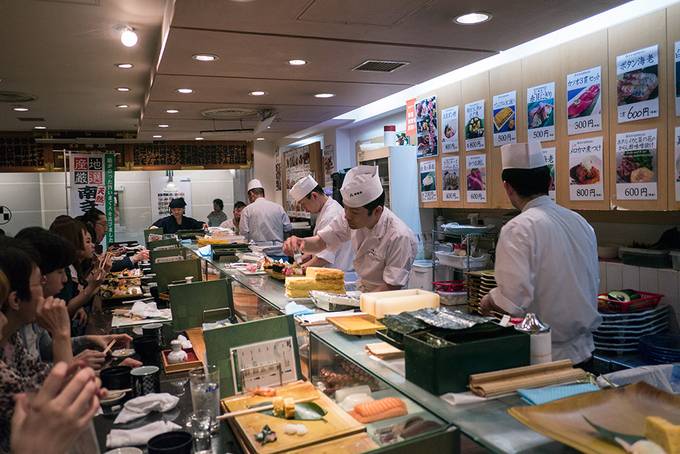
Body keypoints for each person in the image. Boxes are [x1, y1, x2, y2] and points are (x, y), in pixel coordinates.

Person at [480, 142, 601, 367]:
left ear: (507, 187)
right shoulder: (580, 222)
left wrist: (489, 299)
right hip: (585, 354)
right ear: (550, 182)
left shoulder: (518, 228)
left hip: (543, 358)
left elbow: (512, 301)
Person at [15, 227, 133, 369]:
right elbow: (31, 382)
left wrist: (92, 340)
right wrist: (74, 362)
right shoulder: (18, 322)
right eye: (59, 272)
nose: (65, 279)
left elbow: (45, 350)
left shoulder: (30, 315)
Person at [284, 166, 417, 292]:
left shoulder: (399, 236)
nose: (347, 216)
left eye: (354, 212)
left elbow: (391, 287)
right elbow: (321, 242)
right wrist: (300, 243)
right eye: (346, 208)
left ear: (377, 211)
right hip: (363, 291)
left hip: (385, 302)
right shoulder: (348, 218)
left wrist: (360, 304)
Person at [0, 237, 75, 451]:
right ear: (15, 300)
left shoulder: (11, 339)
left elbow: (39, 375)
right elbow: (58, 404)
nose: (44, 287)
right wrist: (61, 334)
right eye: (38, 282)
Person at [288, 175, 354, 271]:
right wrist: (298, 261)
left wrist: (298, 270)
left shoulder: (332, 214)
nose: (305, 210)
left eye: (303, 204)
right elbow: (319, 244)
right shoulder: (324, 210)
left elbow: (323, 257)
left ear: (314, 196)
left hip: (338, 273)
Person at [80, 208, 148, 270]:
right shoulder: (83, 254)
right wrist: (135, 258)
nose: (106, 229)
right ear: (90, 225)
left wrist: (110, 255)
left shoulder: (96, 247)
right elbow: (101, 267)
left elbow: (100, 263)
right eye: (103, 225)